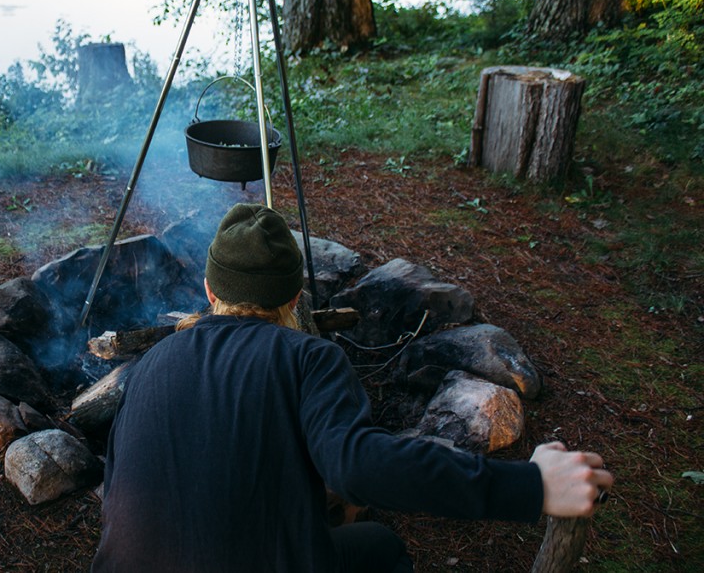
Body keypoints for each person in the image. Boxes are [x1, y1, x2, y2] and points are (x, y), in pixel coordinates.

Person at [91, 203, 613, 572]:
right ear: (295, 297)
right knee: (381, 547)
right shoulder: (308, 356)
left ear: (208, 290)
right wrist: (531, 486)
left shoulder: (147, 366)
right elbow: (359, 465)